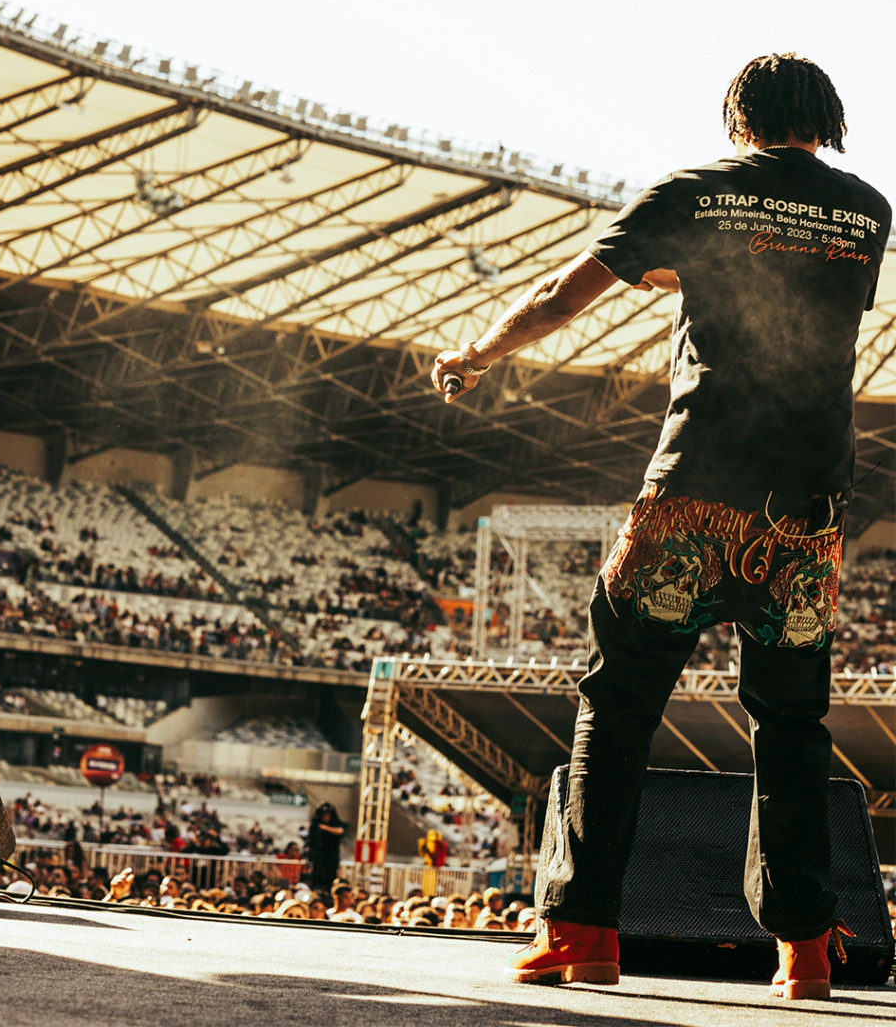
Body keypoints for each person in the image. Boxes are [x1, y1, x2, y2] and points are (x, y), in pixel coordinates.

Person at [431, 54, 890, 1001]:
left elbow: (563, 296)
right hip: (806, 512)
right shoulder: (866, 212)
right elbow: (789, 286)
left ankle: (583, 934)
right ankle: (805, 950)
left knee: (619, 704)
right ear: (825, 119)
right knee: (792, 725)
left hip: (695, 490)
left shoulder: (695, 192)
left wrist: (477, 353)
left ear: (738, 117)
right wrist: (693, 273)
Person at [305, 801, 346, 891]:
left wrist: (325, 828)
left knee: (330, 879)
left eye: (328, 815)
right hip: (318, 859)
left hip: (331, 858)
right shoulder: (315, 825)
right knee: (318, 880)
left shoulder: (334, 824)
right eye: (324, 815)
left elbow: (340, 831)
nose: (326, 817)